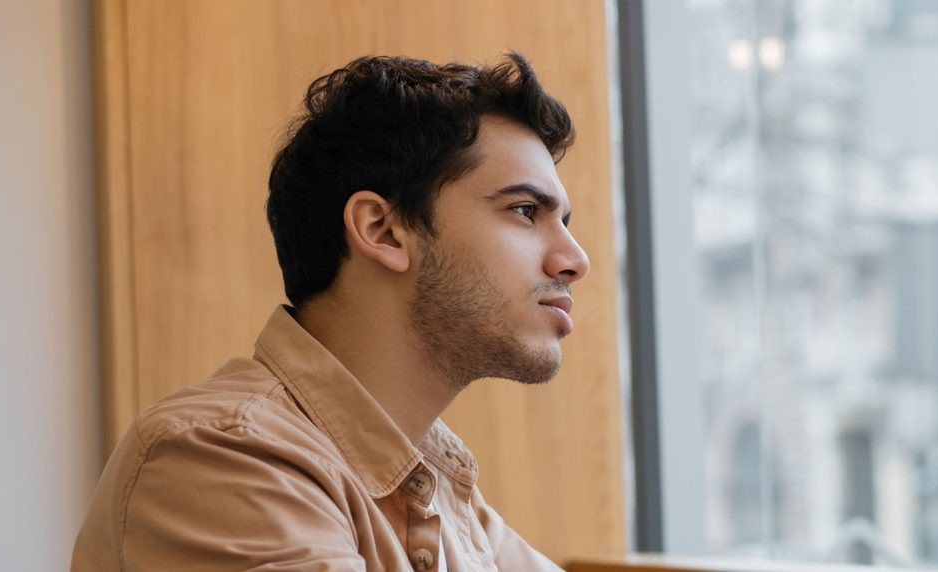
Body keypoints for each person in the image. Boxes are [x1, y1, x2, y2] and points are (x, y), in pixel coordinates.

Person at [71, 52, 589, 571]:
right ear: (382, 231)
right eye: (525, 211)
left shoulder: (438, 486)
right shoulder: (225, 455)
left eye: (563, 221)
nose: (574, 259)